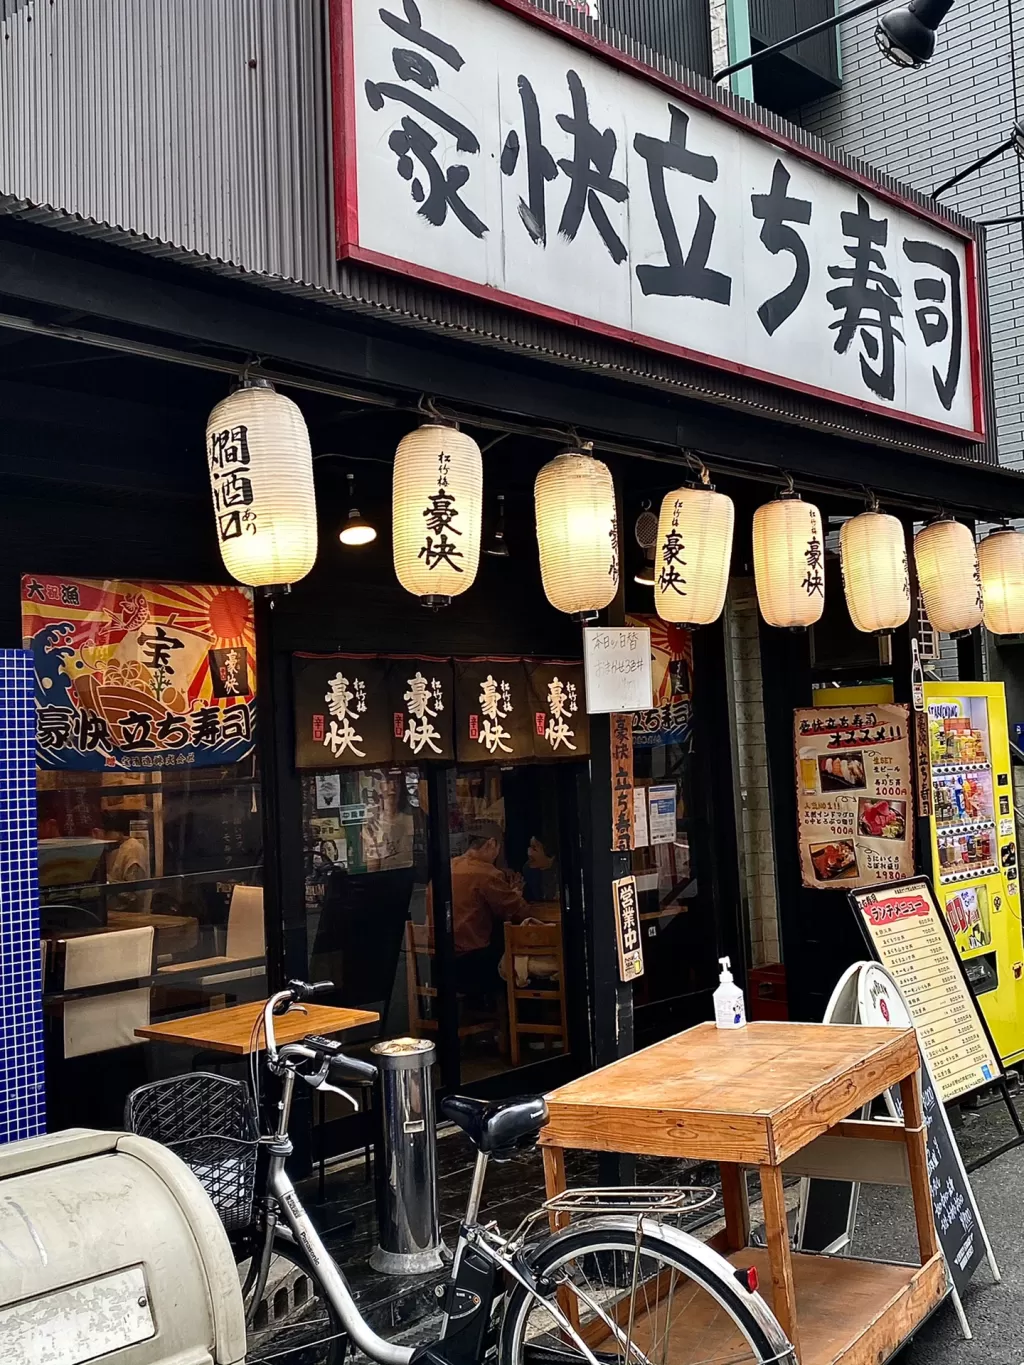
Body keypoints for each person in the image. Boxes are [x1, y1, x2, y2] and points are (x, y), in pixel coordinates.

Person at [451, 820, 530, 1001]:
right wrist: (516, 894)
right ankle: (521, 1019)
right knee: (522, 953)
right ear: (491, 844)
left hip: (439, 963)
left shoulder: (448, 868)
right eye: (498, 848)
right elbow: (520, 912)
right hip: (473, 964)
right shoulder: (486, 873)